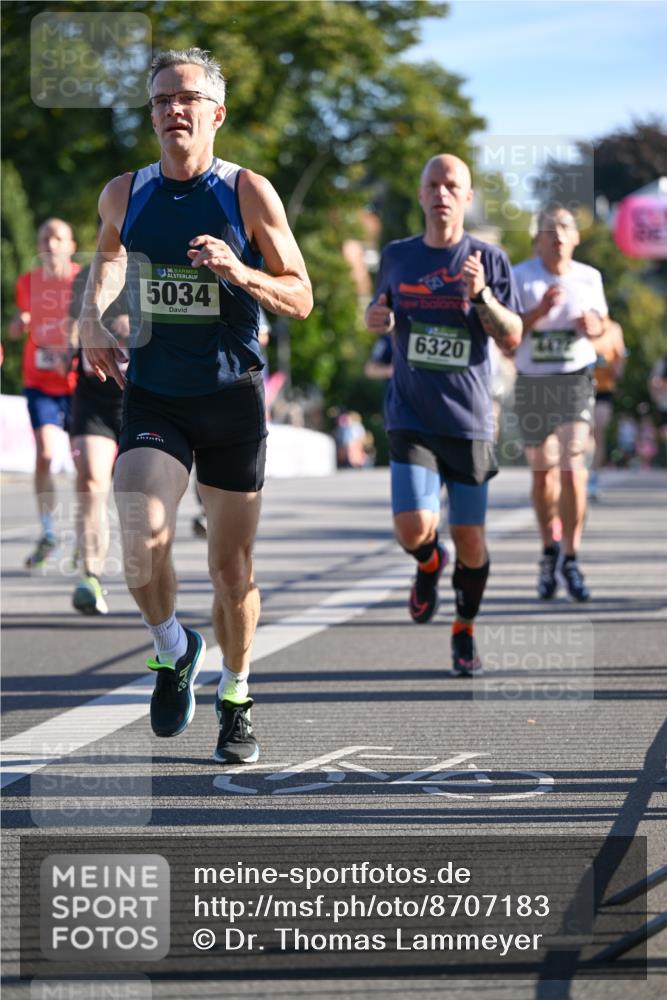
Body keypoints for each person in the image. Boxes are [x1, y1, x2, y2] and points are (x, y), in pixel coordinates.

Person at [80, 48, 312, 763]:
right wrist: (93, 314)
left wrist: (238, 271)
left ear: (216, 113)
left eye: (186, 98)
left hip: (232, 399)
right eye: (160, 100)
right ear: (151, 115)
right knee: (137, 530)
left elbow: (300, 295)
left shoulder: (248, 193)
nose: (172, 110)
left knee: (231, 572)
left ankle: (236, 692)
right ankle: (173, 649)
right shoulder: (125, 192)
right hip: (156, 396)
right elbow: (108, 257)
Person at [365, 154, 522, 675]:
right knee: (413, 528)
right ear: (420, 192)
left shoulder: (490, 259)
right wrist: (375, 317)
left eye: (452, 185)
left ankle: (464, 629)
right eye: (433, 183)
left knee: (472, 540)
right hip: (411, 412)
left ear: (467, 197)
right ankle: (430, 564)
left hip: (470, 419)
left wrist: (479, 296)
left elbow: (512, 335)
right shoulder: (397, 255)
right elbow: (378, 312)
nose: (442, 192)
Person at [512, 205, 608, 602]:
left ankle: (570, 555)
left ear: (576, 237)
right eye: (548, 229)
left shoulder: (589, 277)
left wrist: (593, 326)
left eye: (564, 227)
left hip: (574, 379)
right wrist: (539, 312)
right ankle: (548, 549)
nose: (557, 235)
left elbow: (603, 323)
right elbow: (509, 332)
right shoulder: (521, 276)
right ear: (537, 239)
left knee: (573, 467)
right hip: (533, 382)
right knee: (543, 475)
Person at [9, 219, 80, 569]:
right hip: (40, 382)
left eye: (58, 238)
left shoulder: (83, 278)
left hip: (79, 384)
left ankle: (86, 532)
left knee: (87, 463)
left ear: (70, 244)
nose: (51, 244)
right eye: (45, 238)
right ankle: (50, 531)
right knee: (46, 453)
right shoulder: (27, 283)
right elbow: (25, 319)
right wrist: (17, 325)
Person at [67, 249, 129, 613]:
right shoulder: (85, 277)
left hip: (143, 398)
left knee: (141, 494)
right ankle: (91, 576)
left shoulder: (153, 269)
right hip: (95, 398)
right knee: (92, 479)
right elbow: (67, 324)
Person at [588, 319, 625, 499]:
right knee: (583, 433)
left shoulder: (613, 328)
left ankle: (593, 477)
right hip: (580, 385)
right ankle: (580, 475)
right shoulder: (579, 323)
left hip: (604, 388)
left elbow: (620, 356)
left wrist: (617, 368)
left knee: (598, 430)